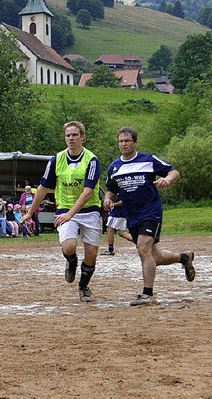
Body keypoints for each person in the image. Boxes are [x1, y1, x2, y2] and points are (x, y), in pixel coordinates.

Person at [104, 126, 195, 306]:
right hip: (132, 214)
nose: (124, 144)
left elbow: (173, 171)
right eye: (121, 141)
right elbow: (111, 191)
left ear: (135, 143)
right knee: (155, 256)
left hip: (150, 211)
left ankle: (148, 295)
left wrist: (167, 179)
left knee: (143, 249)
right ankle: (184, 257)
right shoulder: (114, 167)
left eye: (127, 141)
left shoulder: (148, 159)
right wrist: (107, 200)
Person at [21, 121, 102, 303]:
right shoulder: (56, 159)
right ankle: (71, 261)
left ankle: (83, 286)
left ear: (82, 137)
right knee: (69, 246)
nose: (71, 138)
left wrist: (70, 214)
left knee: (91, 255)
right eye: (68, 135)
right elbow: (42, 188)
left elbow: (88, 192)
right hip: (65, 209)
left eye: (75, 135)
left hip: (90, 211)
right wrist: (29, 213)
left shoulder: (92, 160)